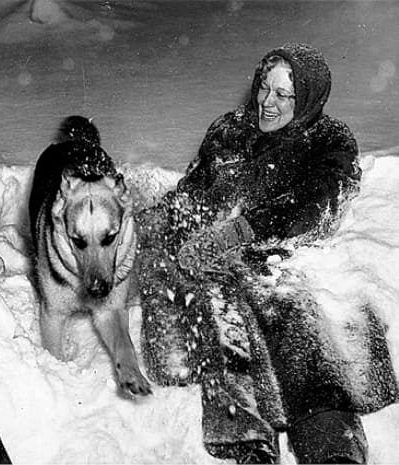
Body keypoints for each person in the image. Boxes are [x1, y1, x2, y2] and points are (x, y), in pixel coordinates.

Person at [136, 43, 398, 463]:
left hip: (290, 255)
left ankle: (331, 447)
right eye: (264, 87)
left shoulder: (329, 141)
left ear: (308, 98)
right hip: (225, 261)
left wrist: (242, 229)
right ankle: (246, 441)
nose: (267, 102)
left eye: (283, 95)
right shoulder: (229, 132)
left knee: (300, 321)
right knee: (222, 318)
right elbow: (193, 193)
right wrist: (162, 220)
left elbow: (318, 205)